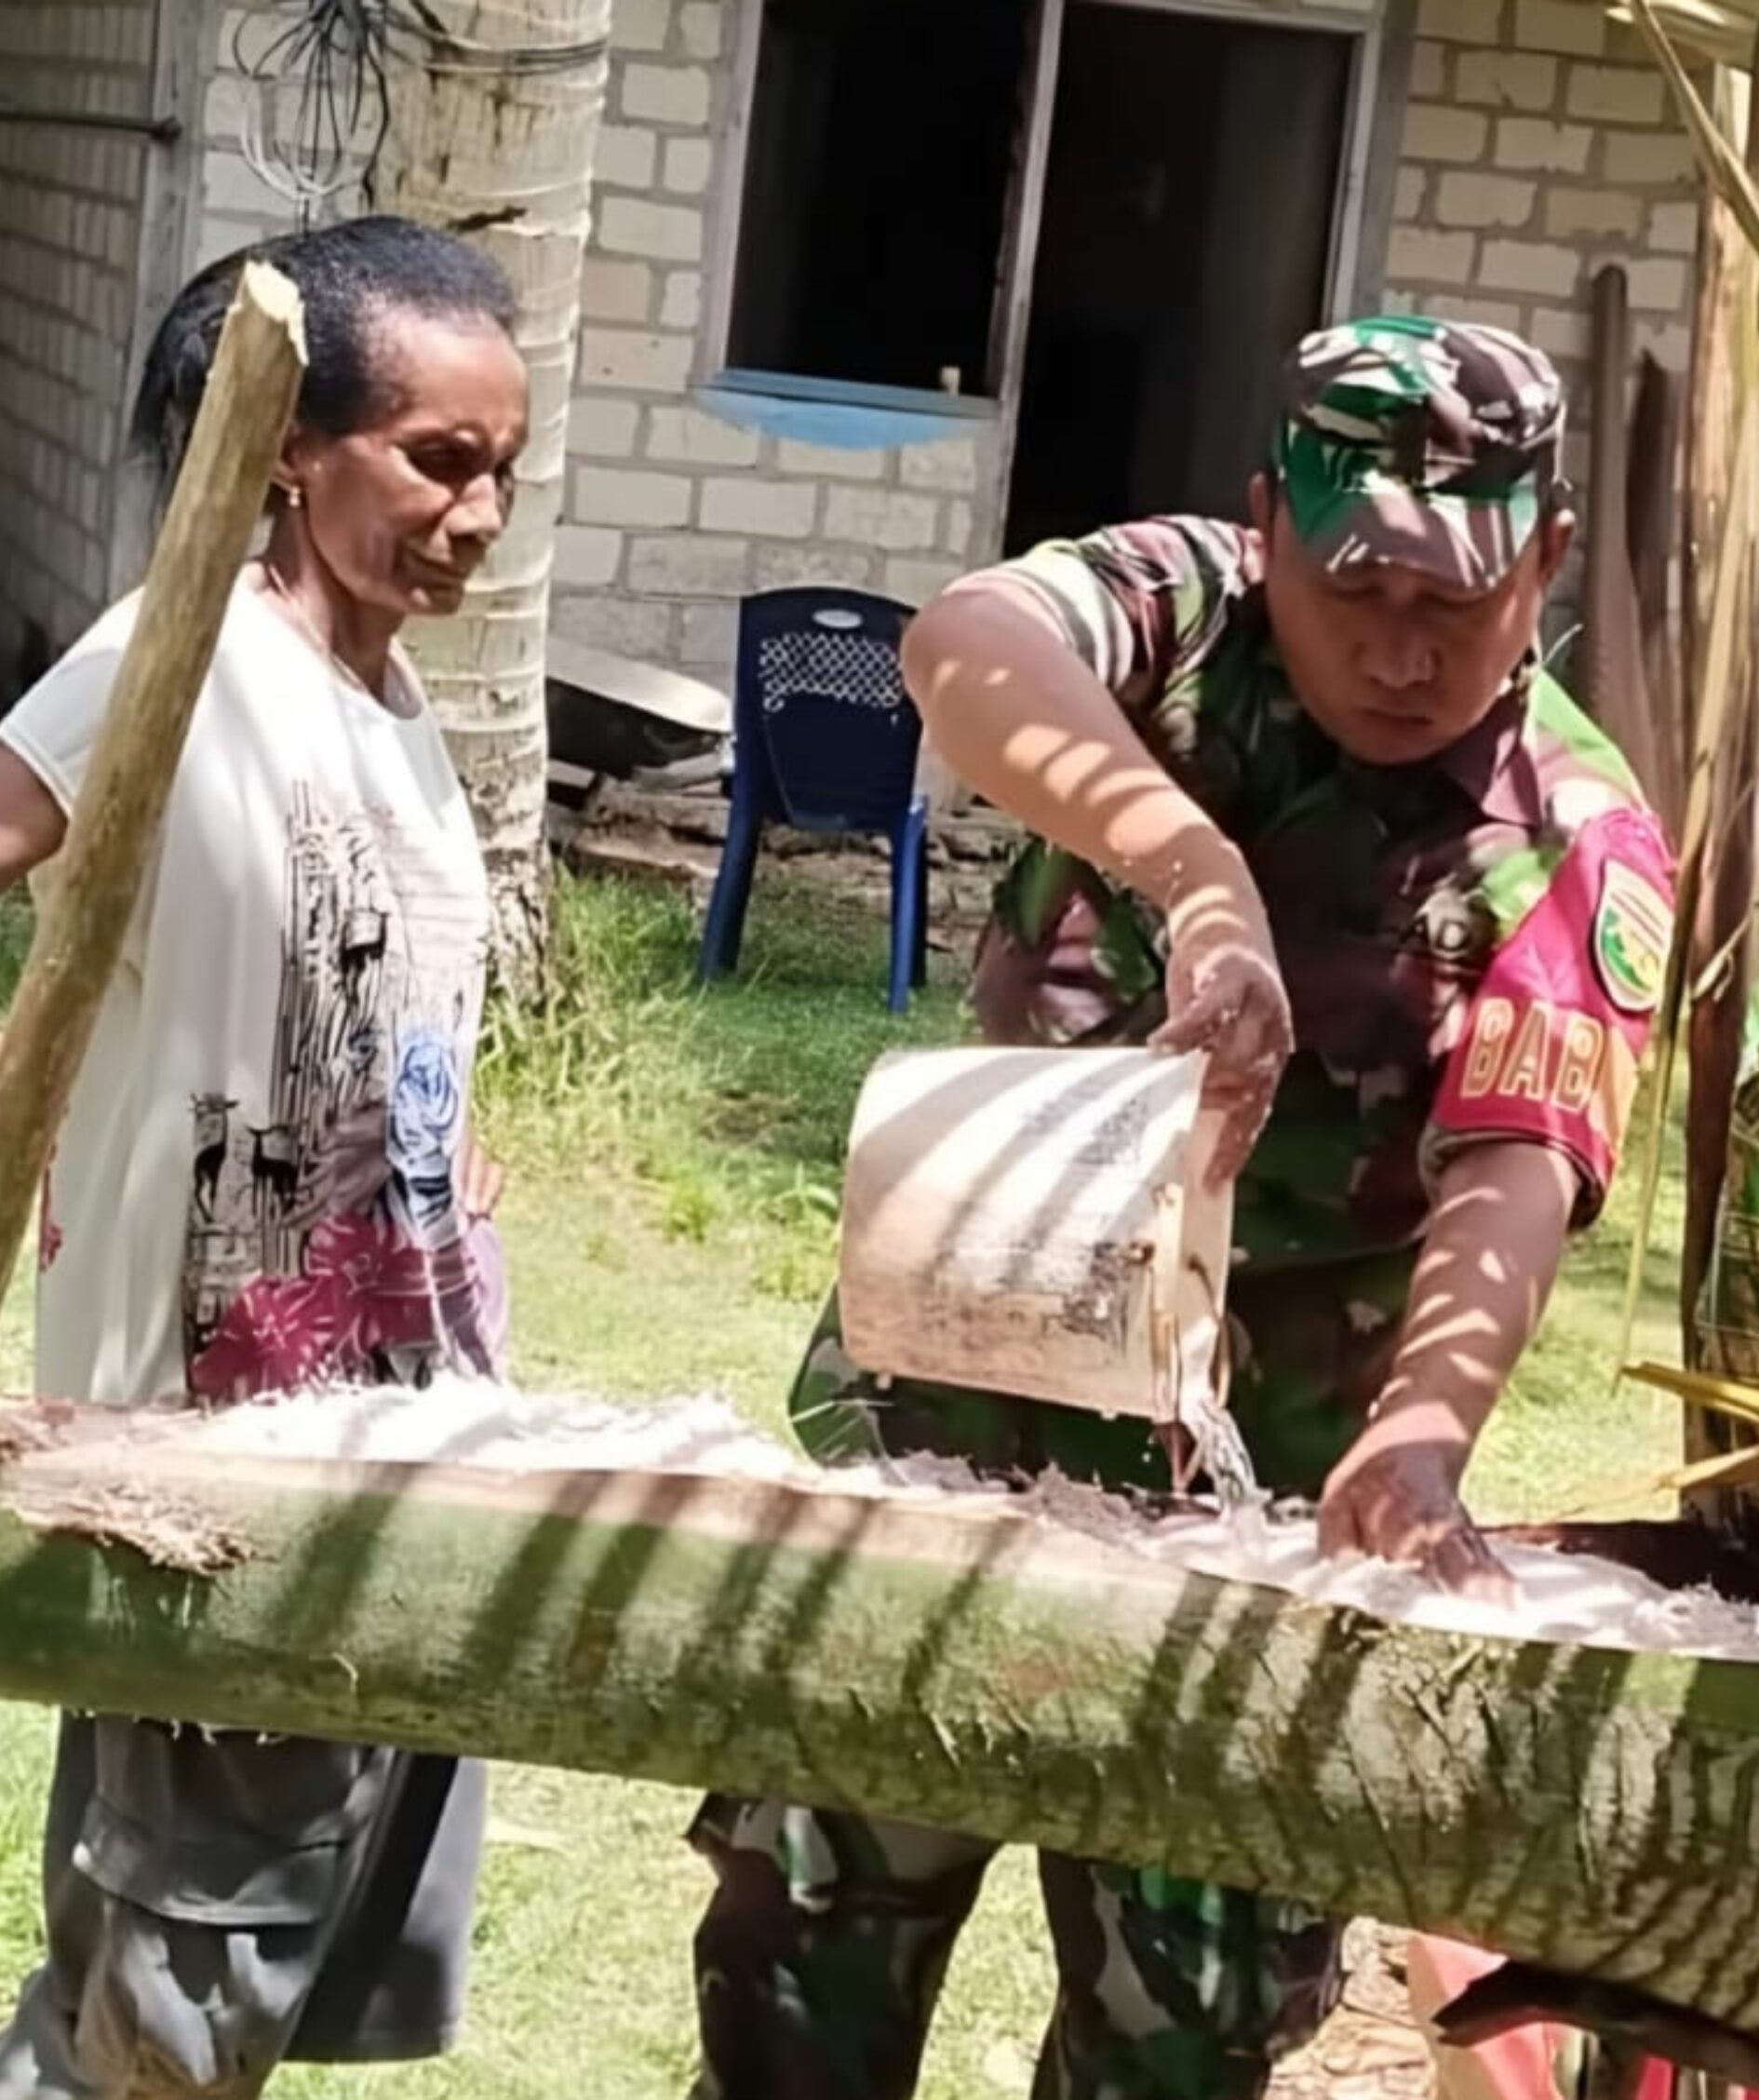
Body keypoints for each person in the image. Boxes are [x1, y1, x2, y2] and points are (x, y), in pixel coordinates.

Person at [683, 315, 1680, 2100]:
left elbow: (1516, 1165)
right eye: (1357, 585)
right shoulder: (1180, 610)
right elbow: (963, 643)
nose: (1399, 649)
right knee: (806, 1947)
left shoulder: (1573, 831)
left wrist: (1424, 1438)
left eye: (1457, 603)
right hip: (963, 1404)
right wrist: (1198, 872)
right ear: (1264, 530)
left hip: (1264, 1489)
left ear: (1543, 563)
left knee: (1192, 2024)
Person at [0, 215, 527, 2098]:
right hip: (200, 1460)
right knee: (174, 2008)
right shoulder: (175, 660)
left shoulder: (397, 710)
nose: (478, 513)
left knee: (192, 1992)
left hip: (395, 1435)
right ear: (286, 446)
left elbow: (377, 1043)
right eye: (436, 461)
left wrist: (448, 1179)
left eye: (503, 473)